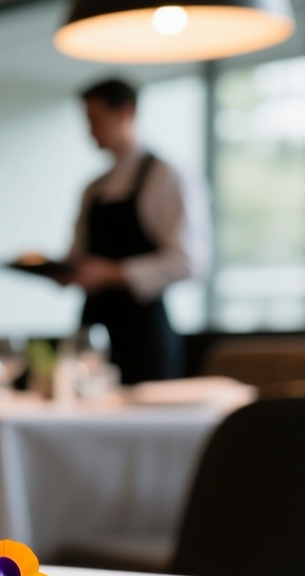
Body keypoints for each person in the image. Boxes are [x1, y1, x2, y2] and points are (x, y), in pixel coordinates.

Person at [61, 78, 212, 384]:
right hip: (92, 331)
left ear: (125, 113)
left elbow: (190, 261)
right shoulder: (93, 188)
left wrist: (109, 273)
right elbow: (77, 256)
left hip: (143, 336)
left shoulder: (167, 176)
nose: (89, 131)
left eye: (95, 120)